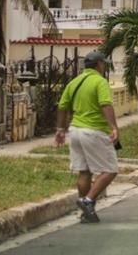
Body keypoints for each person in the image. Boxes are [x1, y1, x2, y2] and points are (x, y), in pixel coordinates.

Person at [55, 51, 120, 224]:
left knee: (84, 171)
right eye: (103, 64)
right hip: (94, 131)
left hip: (75, 131)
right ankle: (88, 200)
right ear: (99, 65)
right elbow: (105, 104)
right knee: (110, 169)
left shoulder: (74, 82)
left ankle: (86, 213)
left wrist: (60, 129)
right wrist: (113, 127)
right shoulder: (100, 81)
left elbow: (62, 106)